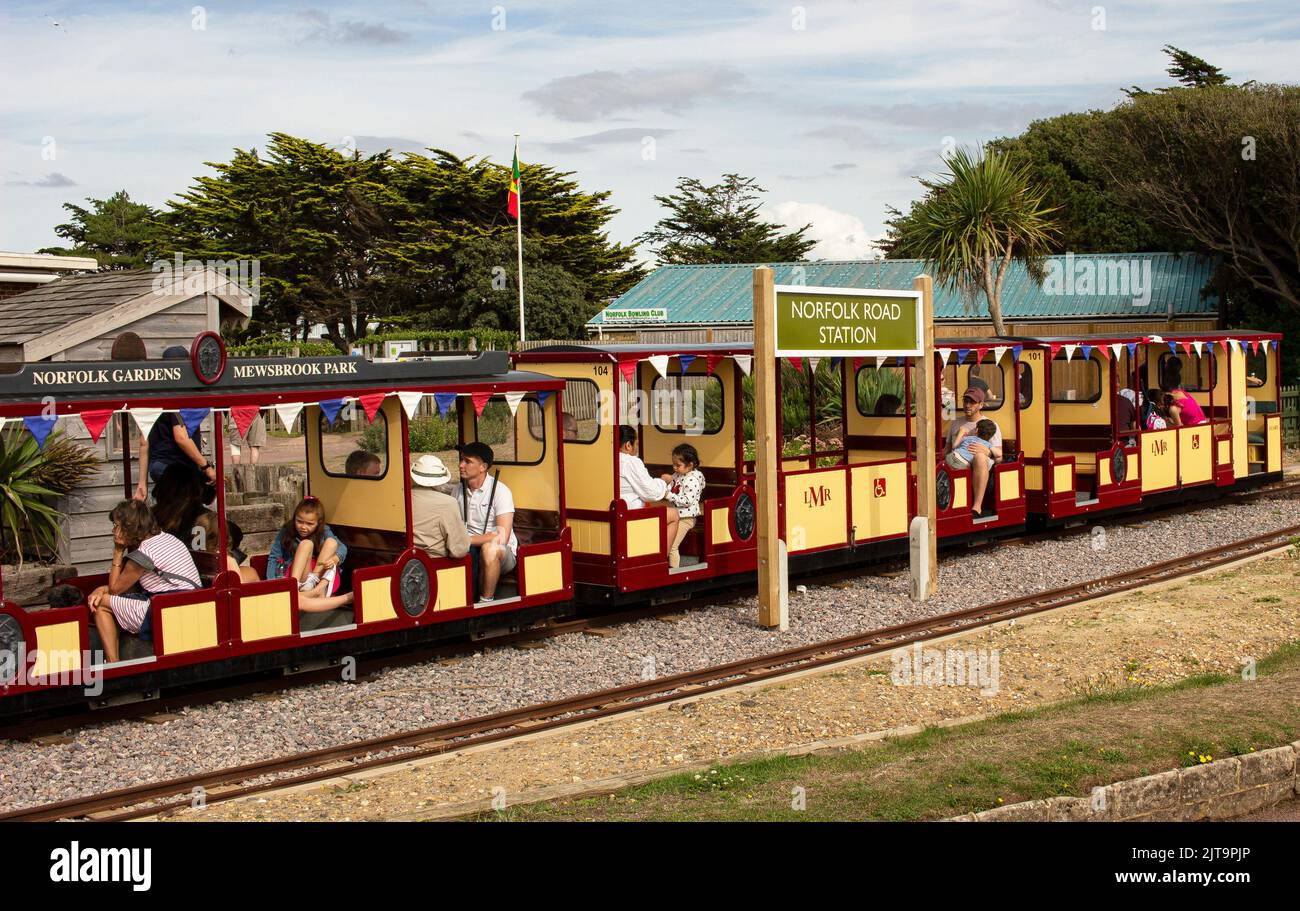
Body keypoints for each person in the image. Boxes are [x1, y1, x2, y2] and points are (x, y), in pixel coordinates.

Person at [87, 499, 201, 663]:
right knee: (108, 598)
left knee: (99, 604)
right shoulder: (167, 538)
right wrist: (102, 588)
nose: (113, 531)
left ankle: (113, 664)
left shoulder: (144, 554)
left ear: (128, 528)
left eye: (116, 526)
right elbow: (128, 586)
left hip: (168, 610)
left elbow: (114, 590)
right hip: (186, 604)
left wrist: (118, 551)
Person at [137, 347, 216, 494]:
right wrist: (207, 467)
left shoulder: (154, 396)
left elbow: (143, 442)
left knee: (165, 507)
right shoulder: (177, 398)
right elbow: (181, 438)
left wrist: (142, 483)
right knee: (184, 510)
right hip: (176, 467)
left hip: (158, 467)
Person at [448, 442, 517, 603]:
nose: (460, 465)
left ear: (483, 467)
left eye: (467, 461)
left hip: (501, 553)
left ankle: (486, 602)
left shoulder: (501, 491)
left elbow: (502, 537)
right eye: (461, 460)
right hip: (468, 549)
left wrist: (466, 540)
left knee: (490, 549)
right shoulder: (457, 490)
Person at [267, 496, 353, 612]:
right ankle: (293, 586)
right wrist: (272, 583)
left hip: (318, 576)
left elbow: (342, 547)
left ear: (318, 523)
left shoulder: (324, 531)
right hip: (298, 573)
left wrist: (336, 558)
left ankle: (314, 584)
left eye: (309, 524)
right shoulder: (287, 530)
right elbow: (274, 556)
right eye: (299, 521)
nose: (303, 527)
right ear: (294, 519)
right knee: (306, 544)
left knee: (332, 543)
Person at [943, 388, 1002, 518]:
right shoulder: (955, 423)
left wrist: (988, 451)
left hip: (979, 466)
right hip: (956, 462)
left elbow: (1000, 456)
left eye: (972, 402)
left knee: (979, 457)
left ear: (981, 405)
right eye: (965, 401)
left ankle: (977, 507)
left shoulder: (990, 425)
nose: (967, 405)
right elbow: (947, 449)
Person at [410, 454, 471, 560]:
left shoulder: (401, 498)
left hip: (402, 560)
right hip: (434, 565)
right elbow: (459, 550)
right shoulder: (448, 503)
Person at [660, 443, 705, 569]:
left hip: (686, 518)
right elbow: (674, 486)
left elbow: (687, 501)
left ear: (690, 465)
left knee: (672, 545)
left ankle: (674, 571)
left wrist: (668, 495)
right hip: (676, 516)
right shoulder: (679, 474)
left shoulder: (693, 480)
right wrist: (668, 481)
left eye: (678, 465)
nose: (674, 467)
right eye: (673, 464)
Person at [618, 426, 669, 508]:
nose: (637, 448)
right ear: (628, 445)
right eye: (637, 444)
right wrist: (664, 481)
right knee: (674, 514)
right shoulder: (630, 462)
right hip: (629, 512)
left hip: (612, 510)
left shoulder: (608, 460)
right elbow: (651, 492)